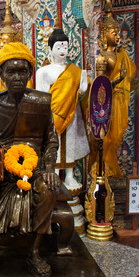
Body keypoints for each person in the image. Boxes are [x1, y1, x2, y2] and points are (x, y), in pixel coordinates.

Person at [0, 42, 59, 277]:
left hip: (34, 167)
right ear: (1, 75)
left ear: (30, 74)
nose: (17, 77)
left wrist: (49, 167)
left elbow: (51, 140)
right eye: (11, 72)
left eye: (22, 71)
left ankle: (35, 252)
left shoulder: (41, 102)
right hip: (2, 165)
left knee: (49, 189)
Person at [87, 0, 138, 178]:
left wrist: (137, 80)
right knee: (106, 139)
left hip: (121, 101)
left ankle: (111, 170)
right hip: (107, 105)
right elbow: (100, 86)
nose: (117, 36)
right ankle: (102, 170)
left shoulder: (122, 55)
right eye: (113, 32)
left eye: (118, 33)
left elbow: (129, 80)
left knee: (118, 135)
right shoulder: (103, 58)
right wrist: (116, 81)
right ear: (103, 34)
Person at [35, 29, 89, 188]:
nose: (63, 51)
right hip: (52, 114)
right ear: (50, 49)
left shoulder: (75, 71)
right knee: (53, 143)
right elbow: (40, 96)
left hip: (71, 112)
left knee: (70, 143)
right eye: (59, 47)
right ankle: (54, 174)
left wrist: (84, 90)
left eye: (65, 47)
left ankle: (69, 175)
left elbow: (80, 96)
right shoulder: (43, 71)